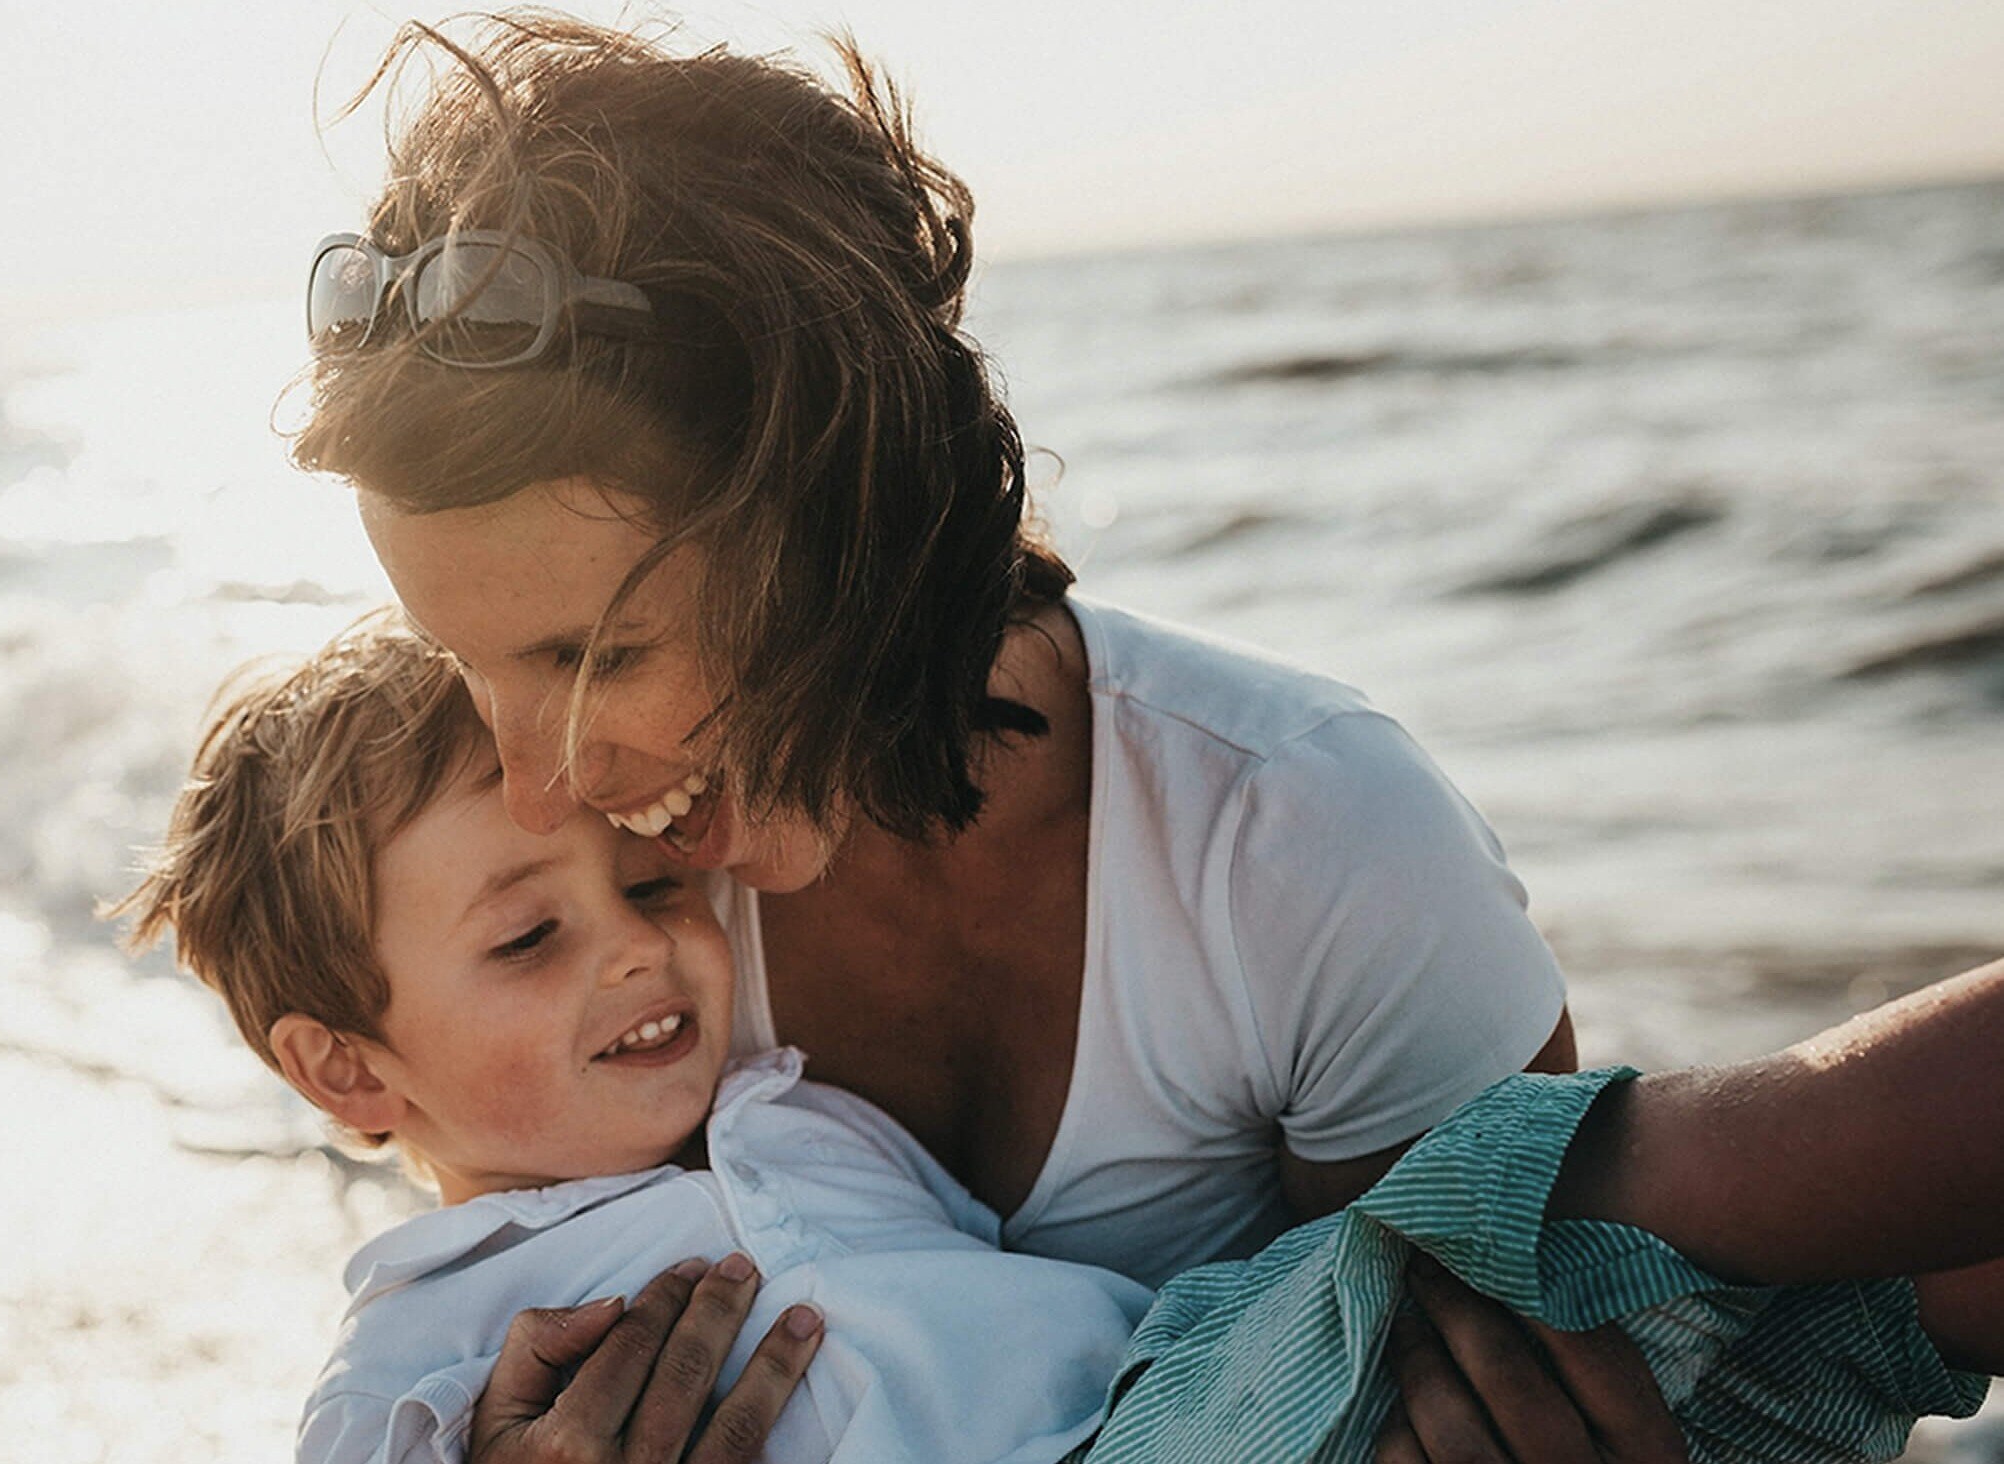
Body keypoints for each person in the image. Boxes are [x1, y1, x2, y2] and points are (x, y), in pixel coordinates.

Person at [292, 15, 1604, 1461]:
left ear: (841, 531)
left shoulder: (1300, 843)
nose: (542, 788)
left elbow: (1536, 1377)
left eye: (592, 656)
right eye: (465, 662)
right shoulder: (609, 918)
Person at [113, 616, 2000, 1464]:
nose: (642, 949)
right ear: (350, 1074)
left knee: (1863, 1307)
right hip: (1163, 1441)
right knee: (1635, 1193)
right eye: (530, 937)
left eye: (648, 885)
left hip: (1198, 1383)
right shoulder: (430, 1336)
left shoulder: (783, 1105)